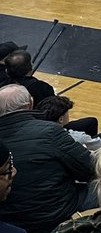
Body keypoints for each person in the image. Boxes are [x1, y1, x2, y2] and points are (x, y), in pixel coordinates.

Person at [0, 85, 95, 233]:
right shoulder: (50, 131)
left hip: (8, 221)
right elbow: (89, 168)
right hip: (56, 216)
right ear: (31, 103)